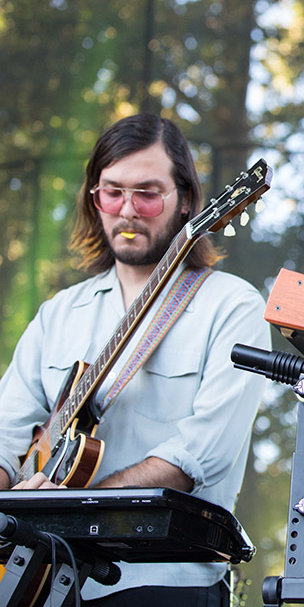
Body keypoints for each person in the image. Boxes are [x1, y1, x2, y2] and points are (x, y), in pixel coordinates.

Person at [0, 113, 271, 605]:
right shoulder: (58, 313)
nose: (127, 211)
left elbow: (199, 454)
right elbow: (5, 432)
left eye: (147, 194)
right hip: (37, 577)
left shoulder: (232, 306)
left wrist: (73, 510)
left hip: (164, 581)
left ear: (185, 199)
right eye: (112, 193)